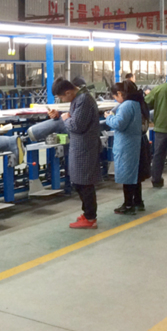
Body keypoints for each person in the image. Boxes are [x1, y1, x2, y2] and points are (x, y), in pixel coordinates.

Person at [49, 78, 102, 229]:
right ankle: (87, 213)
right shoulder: (78, 98)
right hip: (80, 147)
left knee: (85, 183)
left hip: (85, 148)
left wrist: (65, 119)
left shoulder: (84, 100)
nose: (62, 100)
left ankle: (90, 218)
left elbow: (77, 125)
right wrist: (60, 115)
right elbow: (76, 117)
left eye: (61, 97)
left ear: (68, 92)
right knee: (79, 181)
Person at [105, 80, 147, 215]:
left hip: (126, 145)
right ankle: (138, 201)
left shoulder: (126, 105)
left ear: (119, 93)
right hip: (134, 143)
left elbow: (119, 124)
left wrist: (109, 118)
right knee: (134, 175)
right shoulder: (136, 103)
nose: (116, 100)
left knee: (127, 176)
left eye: (115, 97)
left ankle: (128, 204)